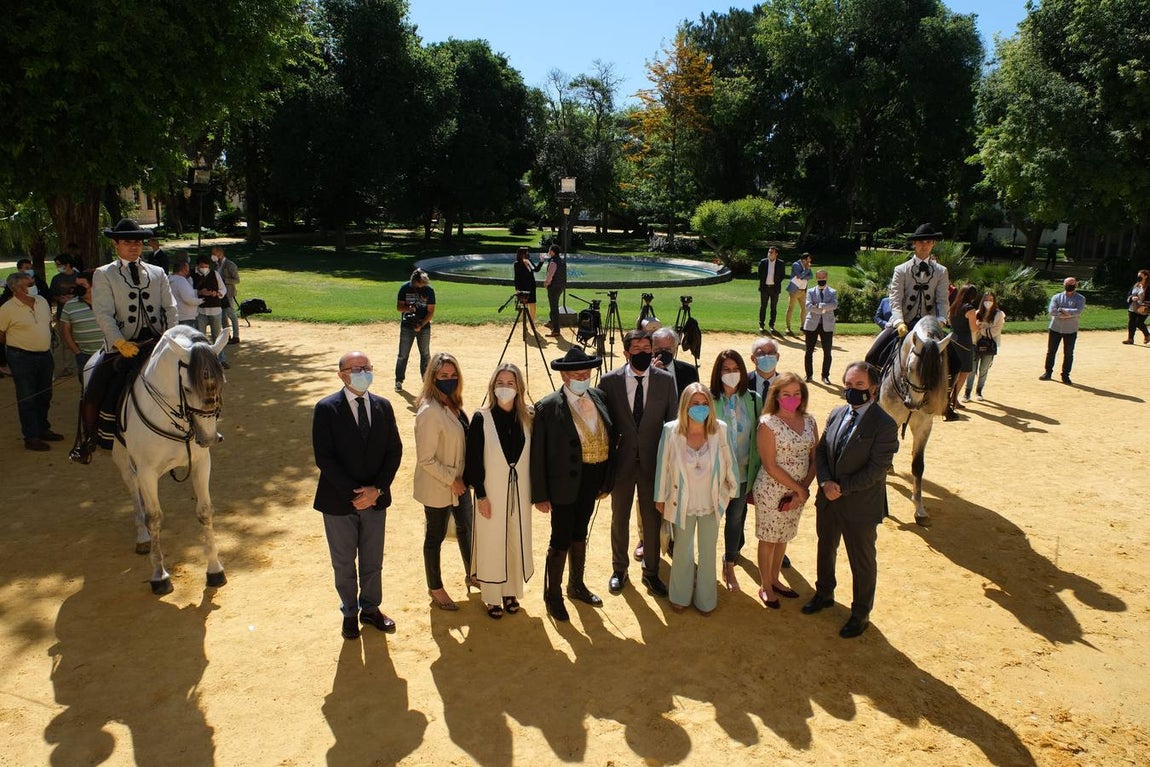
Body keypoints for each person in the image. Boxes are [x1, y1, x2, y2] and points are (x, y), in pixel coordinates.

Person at [803, 361, 899, 639]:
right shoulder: (836, 413)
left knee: (862, 561)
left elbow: (877, 470)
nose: (852, 390)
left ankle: (860, 614)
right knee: (826, 547)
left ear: (873, 387)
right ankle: (824, 594)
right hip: (829, 498)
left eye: (859, 385)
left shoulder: (885, 425)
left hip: (860, 505)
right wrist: (824, 482)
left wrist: (840, 487)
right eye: (848, 385)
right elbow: (821, 451)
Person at [312, 350, 403, 639]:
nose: (362, 372)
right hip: (339, 501)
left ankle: (371, 609)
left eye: (366, 367)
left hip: (376, 500)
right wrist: (356, 495)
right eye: (355, 368)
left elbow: (394, 451)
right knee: (343, 561)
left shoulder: (383, 406)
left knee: (372, 559)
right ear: (341, 374)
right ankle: (349, 612)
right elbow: (324, 458)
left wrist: (377, 490)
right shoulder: (326, 408)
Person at [72, 218, 177, 463]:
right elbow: (103, 313)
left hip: (156, 342)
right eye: (128, 242)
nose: (134, 246)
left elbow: (171, 308)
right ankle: (89, 439)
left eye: (138, 242)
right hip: (121, 347)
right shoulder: (104, 274)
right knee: (94, 390)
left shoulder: (157, 272)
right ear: (116, 244)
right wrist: (119, 342)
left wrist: (171, 337)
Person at [530, 347, 616, 621]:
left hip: (591, 478)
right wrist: (540, 494)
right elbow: (538, 455)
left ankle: (576, 584)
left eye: (587, 372)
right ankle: (552, 594)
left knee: (580, 532)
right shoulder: (548, 406)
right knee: (560, 537)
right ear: (565, 375)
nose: (583, 377)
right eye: (577, 373)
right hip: (562, 484)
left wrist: (606, 479)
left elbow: (609, 439)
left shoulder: (599, 397)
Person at [599, 330, 677, 598]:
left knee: (652, 518)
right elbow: (603, 424)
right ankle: (619, 570)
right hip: (621, 463)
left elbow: (673, 425)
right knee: (619, 517)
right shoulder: (609, 381)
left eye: (647, 347)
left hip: (654, 464)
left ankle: (652, 572)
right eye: (637, 348)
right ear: (626, 352)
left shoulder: (665, 382)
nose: (643, 352)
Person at [654, 383, 738, 614]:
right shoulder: (671, 430)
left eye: (704, 404)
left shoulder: (720, 429)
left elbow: (730, 462)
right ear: (684, 406)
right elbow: (663, 467)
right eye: (694, 404)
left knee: (708, 550)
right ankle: (679, 595)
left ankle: (706, 600)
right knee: (682, 549)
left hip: (711, 502)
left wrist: (730, 493)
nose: (700, 408)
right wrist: (660, 497)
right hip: (681, 502)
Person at [464, 364, 534, 620]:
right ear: (493, 386)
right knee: (492, 543)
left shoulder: (528, 417)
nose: (505, 387)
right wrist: (481, 495)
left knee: (515, 540)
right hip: (491, 493)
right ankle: (492, 596)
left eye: (511, 383)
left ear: (519, 387)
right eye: (501, 382)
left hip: (520, 494)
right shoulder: (482, 418)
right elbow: (473, 462)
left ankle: (510, 591)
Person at [413, 352, 473, 612]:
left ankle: (473, 573)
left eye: (452, 375)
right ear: (432, 378)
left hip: (460, 483)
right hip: (439, 486)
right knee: (435, 535)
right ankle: (435, 586)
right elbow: (425, 459)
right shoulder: (429, 412)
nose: (449, 379)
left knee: (466, 529)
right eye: (443, 376)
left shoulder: (453, 402)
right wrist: (452, 480)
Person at [753, 372, 818, 608]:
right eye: (786, 394)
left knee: (783, 538)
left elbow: (815, 457)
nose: (792, 398)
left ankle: (775, 578)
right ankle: (765, 585)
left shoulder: (809, 421)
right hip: (772, 490)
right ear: (777, 396)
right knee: (769, 539)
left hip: (798, 491)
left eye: (797, 393)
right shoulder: (768, 424)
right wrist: (799, 491)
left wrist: (802, 490)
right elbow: (770, 465)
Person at [864, 223, 950, 368]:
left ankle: (948, 389)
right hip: (903, 323)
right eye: (921, 242)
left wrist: (940, 320)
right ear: (914, 244)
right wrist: (899, 322)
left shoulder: (941, 271)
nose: (924, 245)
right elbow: (895, 299)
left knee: (956, 362)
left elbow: (942, 299)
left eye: (928, 242)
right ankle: (874, 388)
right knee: (872, 356)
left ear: (933, 244)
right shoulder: (901, 270)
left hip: (929, 325)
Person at [709, 350, 760, 592]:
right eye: (726, 370)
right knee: (710, 521)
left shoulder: (754, 399)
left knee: (735, 520)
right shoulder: (708, 400)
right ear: (718, 374)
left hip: (742, 473)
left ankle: (729, 563)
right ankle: (706, 566)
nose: (731, 374)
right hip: (713, 476)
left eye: (735, 369)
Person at [0, 272, 61, 450]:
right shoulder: (7, 308)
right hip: (21, 357)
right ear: (17, 288)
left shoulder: (41, 301)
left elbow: (47, 323)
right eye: (29, 283)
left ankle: (43, 428)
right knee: (27, 397)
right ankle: (31, 436)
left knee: (45, 394)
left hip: (45, 355)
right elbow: (1, 335)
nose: (34, 285)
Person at [1039, 277, 1086, 385]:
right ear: (1063, 284)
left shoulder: (1080, 298)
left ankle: (1065, 375)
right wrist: (1068, 314)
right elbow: (1052, 311)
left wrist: (1062, 310)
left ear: (1076, 285)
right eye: (1067, 284)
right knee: (1051, 351)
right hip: (1055, 328)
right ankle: (1048, 372)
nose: (1069, 286)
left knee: (1068, 353)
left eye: (1072, 284)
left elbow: (1078, 311)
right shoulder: (1056, 297)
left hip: (1071, 330)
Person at [59, 272, 103, 385]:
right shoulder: (70, 305)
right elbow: (65, 331)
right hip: (85, 355)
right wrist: (77, 352)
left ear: (93, 285)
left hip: (110, 353)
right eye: (77, 284)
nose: (78, 288)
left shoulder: (109, 301)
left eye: (82, 285)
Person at [395, 269, 435, 391]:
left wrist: (421, 324)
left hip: (424, 327)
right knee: (403, 354)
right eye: (420, 285)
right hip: (407, 326)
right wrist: (409, 308)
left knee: (425, 354)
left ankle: (426, 381)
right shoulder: (405, 288)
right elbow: (399, 307)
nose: (422, 287)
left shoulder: (429, 290)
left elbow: (431, 311)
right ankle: (398, 380)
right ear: (414, 281)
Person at [944, 284, 979, 419]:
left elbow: (949, 322)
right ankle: (954, 398)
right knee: (964, 371)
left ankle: (950, 397)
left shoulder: (953, 307)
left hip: (952, 339)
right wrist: (980, 326)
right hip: (964, 342)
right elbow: (973, 328)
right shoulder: (969, 309)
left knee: (952, 370)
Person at [965, 291, 1005, 401]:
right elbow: (973, 329)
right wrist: (979, 327)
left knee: (984, 369)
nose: (988, 302)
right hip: (975, 344)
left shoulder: (999, 314)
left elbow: (996, 330)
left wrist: (981, 329)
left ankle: (979, 391)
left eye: (991, 300)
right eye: (986, 300)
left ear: (994, 301)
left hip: (990, 345)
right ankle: (967, 392)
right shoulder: (977, 313)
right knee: (972, 369)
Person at [803, 270, 838, 385]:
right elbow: (808, 306)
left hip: (827, 325)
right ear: (816, 278)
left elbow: (834, 305)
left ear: (826, 277)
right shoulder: (811, 291)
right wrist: (822, 307)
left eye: (823, 277)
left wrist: (821, 306)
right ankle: (809, 375)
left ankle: (825, 376)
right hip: (812, 325)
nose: (821, 279)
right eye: (819, 277)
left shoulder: (833, 291)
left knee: (827, 352)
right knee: (809, 351)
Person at [49, 255, 79, 377]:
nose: (58, 267)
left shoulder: (78, 277)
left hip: (78, 314)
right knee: (64, 341)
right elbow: (52, 294)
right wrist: (60, 298)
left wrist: (74, 297)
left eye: (59, 264)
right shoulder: (56, 279)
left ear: (67, 264)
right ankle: (68, 367)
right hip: (63, 314)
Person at [651, 326, 699, 400]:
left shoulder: (689, 372)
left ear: (675, 348)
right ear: (651, 349)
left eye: (668, 349)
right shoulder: (642, 371)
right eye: (658, 349)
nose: (663, 352)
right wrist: (651, 375)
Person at [212, 246, 240, 344]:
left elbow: (237, 280)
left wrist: (224, 281)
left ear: (220, 253)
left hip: (228, 294)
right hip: (219, 294)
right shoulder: (215, 265)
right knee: (223, 316)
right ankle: (226, 336)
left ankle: (236, 336)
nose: (213, 256)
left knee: (231, 314)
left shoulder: (230, 265)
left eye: (214, 253)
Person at [512, 246, 543, 325]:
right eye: (526, 252)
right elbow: (516, 277)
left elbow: (536, 270)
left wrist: (541, 261)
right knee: (524, 306)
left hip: (531, 286)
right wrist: (517, 288)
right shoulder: (516, 264)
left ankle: (532, 322)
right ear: (522, 254)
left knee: (532, 304)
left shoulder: (529, 261)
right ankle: (524, 323)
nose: (528, 254)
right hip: (522, 287)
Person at [784, 253, 814, 335]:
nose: (810, 261)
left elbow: (811, 276)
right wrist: (807, 270)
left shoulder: (807, 265)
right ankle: (788, 327)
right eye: (809, 259)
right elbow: (799, 275)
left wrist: (804, 274)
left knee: (804, 309)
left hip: (803, 291)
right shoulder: (796, 264)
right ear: (804, 259)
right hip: (794, 291)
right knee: (791, 308)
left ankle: (803, 326)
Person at [757, 245, 784, 334]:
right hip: (765, 288)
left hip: (775, 289)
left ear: (776, 254)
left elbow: (782, 276)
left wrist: (775, 282)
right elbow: (759, 274)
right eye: (769, 252)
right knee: (763, 307)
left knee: (773, 307)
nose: (769, 253)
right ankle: (761, 325)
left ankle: (772, 325)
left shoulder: (780, 263)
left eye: (771, 252)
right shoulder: (763, 262)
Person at [746, 336, 782, 402]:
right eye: (760, 354)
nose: (766, 356)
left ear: (777, 357)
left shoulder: (785, 383)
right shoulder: (743, 381)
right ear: (753, 359)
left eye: (771, 353)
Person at [542, 244, 566, 337]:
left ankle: (556, 330)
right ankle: (552, 322)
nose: (548, 252)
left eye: (549, 250)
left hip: (554, 286)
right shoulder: (561, 261)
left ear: (552, 251)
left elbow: (550, 274)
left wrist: (546, 283)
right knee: (554, 305)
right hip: (560, 286)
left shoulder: (553, 262)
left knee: (554, 307)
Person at [169, 260, 201, 327]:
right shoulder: (181, 280)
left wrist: (197, 292)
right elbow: (188, 299)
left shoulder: (169, 279)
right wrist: (201, 300)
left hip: (175, 315)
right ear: (184, 269)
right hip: (186, 317)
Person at [1123, 269, 1150, 345]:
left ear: (1146, 276)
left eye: (1140, 275)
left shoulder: (1148, 287)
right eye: (1138, 275)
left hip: (1144, 307)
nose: (1138, 277)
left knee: (1139, 323)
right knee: (1131, 323)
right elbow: (1129, 294)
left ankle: (1147, 335)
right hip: (1133, 307)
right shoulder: (1136, 285)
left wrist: (1145, 306)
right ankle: (1130, 339)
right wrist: (1132, 298)